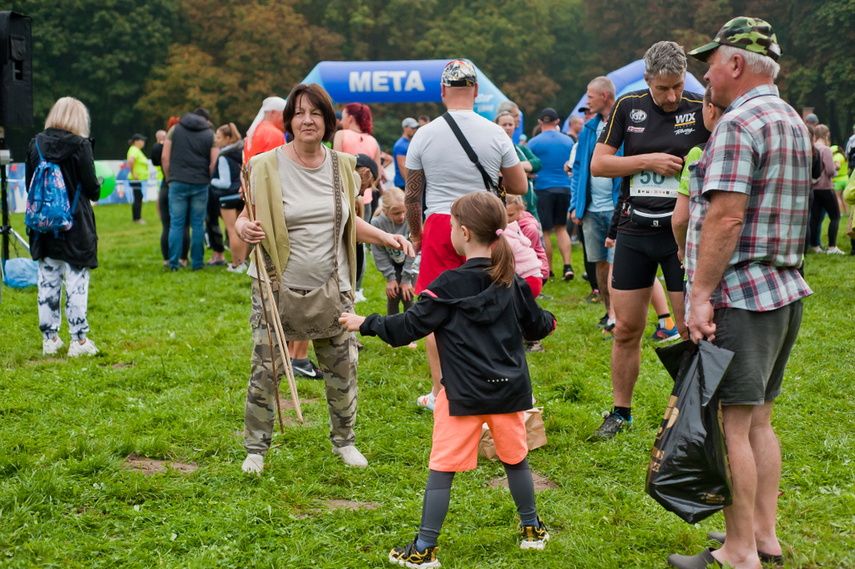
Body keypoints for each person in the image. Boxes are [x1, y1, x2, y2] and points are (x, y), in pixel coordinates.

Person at [340, 191, 556, 567]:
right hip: (511, 395)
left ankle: (424, 550)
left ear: (466, 233)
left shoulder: (445, 286)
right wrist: (551, 319)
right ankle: (532, 529)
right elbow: (537, 324)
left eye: (454, 225)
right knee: (516, 462)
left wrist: (366, 322)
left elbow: (407, 327)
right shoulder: (513, 282)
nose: (451, 231)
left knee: (442, 471)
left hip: (461, 398)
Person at [667, 17, 813, 569]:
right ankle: (765, 539)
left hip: (742, 294)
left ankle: (739, 553)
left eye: (710, 63)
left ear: (735, 64)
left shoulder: (737, 123)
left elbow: (726, 218)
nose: (706, 75)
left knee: (732, 424)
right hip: (784, 287)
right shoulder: (790, 119)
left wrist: (699, 295)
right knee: (758, 421)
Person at [236, 83, 413, 473]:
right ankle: (256, 449)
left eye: (315, 112)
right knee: (265, 369)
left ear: (328, 121)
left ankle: (344, 441)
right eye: (299, 112)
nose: (307, 120)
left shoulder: (343, 168)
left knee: (342, 366)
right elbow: (244, 215)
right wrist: (244, 227)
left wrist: (388, 237)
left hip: (334, 284)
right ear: (289, 121)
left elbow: (352, 224)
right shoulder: (264, 166)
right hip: (275, 283)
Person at [589, 40, 709, 439]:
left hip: (683, 236)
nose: (671, 96)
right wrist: (647, 161)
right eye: (662, 88)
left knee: (691, 330)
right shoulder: (628, 106)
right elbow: (599, 163)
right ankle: (620, 413)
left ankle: (697, 417)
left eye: (676, 86)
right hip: (635, 231)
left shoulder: (700, 107)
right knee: (626, 328)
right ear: (647, 80)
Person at [404, 59, 527, 412]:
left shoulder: (424, 134)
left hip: (442, 224)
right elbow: (518, 184)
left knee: (434, 307)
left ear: (442, 92)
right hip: (485, 221)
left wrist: (416, 235)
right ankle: (496, 381)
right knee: (492, 303)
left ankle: (441, 393)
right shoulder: (495, 132)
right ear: (476, 91)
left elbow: (413, 194)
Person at [27, 97, 101, 357]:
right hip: (75, 223)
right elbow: (92, 189)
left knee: (47, 280)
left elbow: (29, 186)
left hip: (44, 225)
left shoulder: (36, 144)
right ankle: (79, 341)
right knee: (76, 281)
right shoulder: (81, 145)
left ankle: (50, 339)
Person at [569, 76, 621, 333]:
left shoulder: (624, 123)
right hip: (590, 210)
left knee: (616, 263)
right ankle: (608, 311)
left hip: (615, 208)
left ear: (604, 96)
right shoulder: (589, 129)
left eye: (590, 96)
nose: (586, 100)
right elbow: (578, 168)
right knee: (599, 262)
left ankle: (618, 316)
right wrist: (575, 205)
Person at [673, 86, 726, 263]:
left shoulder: (697, 153)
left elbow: (680, 219)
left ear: (710, 110)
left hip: (703, 256)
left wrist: (682, 248)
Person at [162, 108, 218, 271]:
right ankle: (197, 263)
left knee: (176, 224)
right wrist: (207, 178)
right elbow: (214, 162)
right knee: (198, 224)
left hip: (177, 181)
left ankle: (173, 263)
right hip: (200, 183)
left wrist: (169, 178)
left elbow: (165, 157)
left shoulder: (175, 129)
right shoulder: (210, 134)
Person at [526, 107, 575, 281]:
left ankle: (550, 269)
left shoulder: (533, 142)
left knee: (545, 231)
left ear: (540, 122)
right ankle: (568, 266)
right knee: (561, 228)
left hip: (543, 189)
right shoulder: (568, 141)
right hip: (565, 188)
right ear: (557, 122)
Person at [370, 186, 416, 319]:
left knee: (408, 296)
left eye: (403, 211)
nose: (402, 216)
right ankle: (393, 336)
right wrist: (390, 278)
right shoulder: (377, 223)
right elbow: (379, 253)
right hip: (392, 263)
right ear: (385, 211)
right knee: (393, 296)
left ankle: (409, 336)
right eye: (396, 213)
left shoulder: (411, 218)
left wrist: (406, 278)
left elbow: (414, 249)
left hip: (409, 262)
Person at [209, 123, 250, 272]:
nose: (216, 140)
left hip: (227, 197)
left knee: (232, 230)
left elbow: (225, 182)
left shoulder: (224, 156)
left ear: (227, 138)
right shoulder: (244, 151)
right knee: (243, 229)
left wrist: (212, 181)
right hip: (242, 195)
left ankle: (236, 264)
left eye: (218, 137)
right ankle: (244, 261)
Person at [151, 119, 189, 268]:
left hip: (167, 186)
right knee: (185, 226)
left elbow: (156, 159)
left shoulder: (159, 147)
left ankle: (167, 260)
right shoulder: (186, 146)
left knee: (167, 225)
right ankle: (183, 259)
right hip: (183, 185)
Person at [808, 124, 843, 254]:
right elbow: (829, 170)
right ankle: (832, 247)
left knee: (815, 217)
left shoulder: (812, 147)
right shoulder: (826, 149)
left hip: (814, 187)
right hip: (826, 187)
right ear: (827, 134)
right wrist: (836, 167)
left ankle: (815, 245)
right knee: (835, 216)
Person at [244, 96, 286, 162]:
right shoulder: (275, 133)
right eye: (284, 114)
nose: (286, 119)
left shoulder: (252, 132)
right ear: (273, 113)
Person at [127, 133, 149, 224]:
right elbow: (131, 160)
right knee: (138, 198)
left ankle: (136, 218)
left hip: (138, 179)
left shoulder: (136, 150)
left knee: (138, 197)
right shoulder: (134, 150)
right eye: (141, 140)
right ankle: (137, 218)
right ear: (136, 141)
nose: (143, 142)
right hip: (136, 179)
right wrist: (133, 173)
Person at [392, 117, 419, 189]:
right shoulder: (401, 144)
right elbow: (402, 167)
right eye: (412, 128)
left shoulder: (407, 143)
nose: (415, 130)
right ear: (405, 128)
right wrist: (410, 186)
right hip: (403, 184)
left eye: (416, 128)